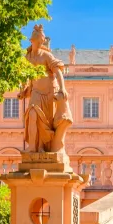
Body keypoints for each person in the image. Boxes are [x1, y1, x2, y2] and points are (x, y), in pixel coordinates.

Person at [19, 24, 70, 153]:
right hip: (36, 92)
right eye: (37, 41)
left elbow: (57, 71)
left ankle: (41, 147)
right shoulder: (27, 58)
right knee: (32, 115)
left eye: (41, 41)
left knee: (45, 122)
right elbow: (24, 76)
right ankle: (32, 146)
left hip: (49, 92)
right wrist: (22, 90)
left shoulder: (46, 56)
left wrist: (62, 88)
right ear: (32, 41)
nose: (39, 43)